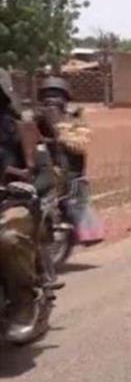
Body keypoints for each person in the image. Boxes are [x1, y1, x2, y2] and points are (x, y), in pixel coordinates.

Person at [0, 68, 55, 344]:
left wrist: (29, 186)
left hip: (12, 202)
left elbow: (46, 171)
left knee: (7, 240)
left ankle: (24, 303)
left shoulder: (21, 129)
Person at [33, 77, 102, 246]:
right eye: (47, 95)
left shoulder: (74, 120)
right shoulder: (36, 119)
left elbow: (77, 143)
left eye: (56, 95)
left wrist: (57, 134)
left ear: (64, 99)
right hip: (40, 167)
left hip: (68, 171)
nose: (51, 99)